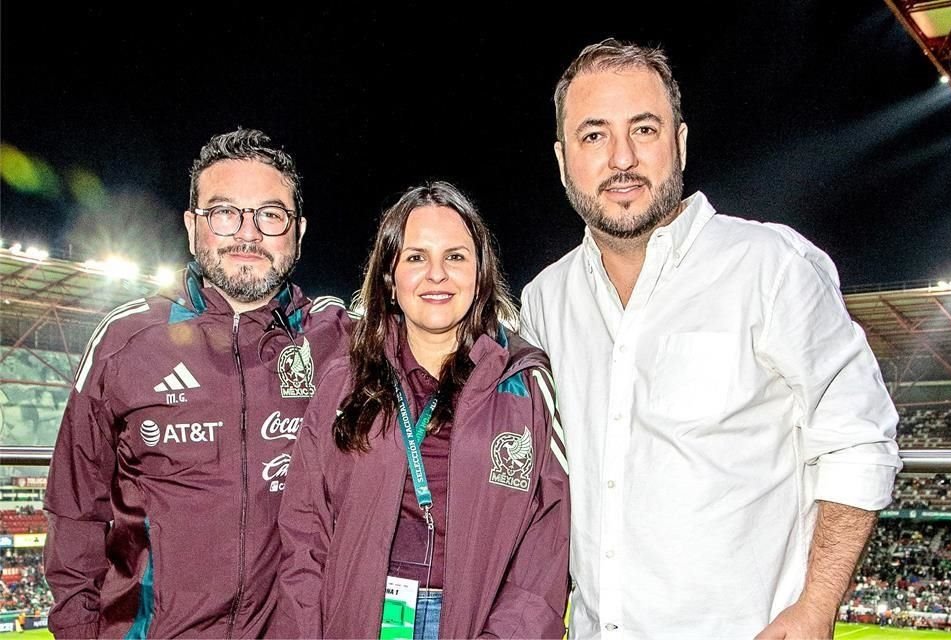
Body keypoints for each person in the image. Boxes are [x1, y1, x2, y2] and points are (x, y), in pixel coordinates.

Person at [520, 39, 901, 639]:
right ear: (563, 158)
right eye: (594, 135)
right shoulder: (544, 302)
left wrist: (817, 606)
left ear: (681, 142)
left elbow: (858, 437)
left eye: (644, 129)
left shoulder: (770, 266)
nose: (621, 157)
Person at [43, 128, 352, 638]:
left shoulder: (338, 340)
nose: (248, 234)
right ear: (192, 228)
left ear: (298, 230)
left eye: (271, 215)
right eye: (224, 213)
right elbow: (74, 511)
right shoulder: (126, 342)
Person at [278, 181, 570, 639]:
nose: (437, 274)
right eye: (416, 257)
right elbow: (305, 532)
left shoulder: (525, 383)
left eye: (455, 256)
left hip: (470, 625)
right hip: (360, 620)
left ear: (480, 273)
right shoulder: (343, 380)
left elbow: (545, 543)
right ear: (390, 278)